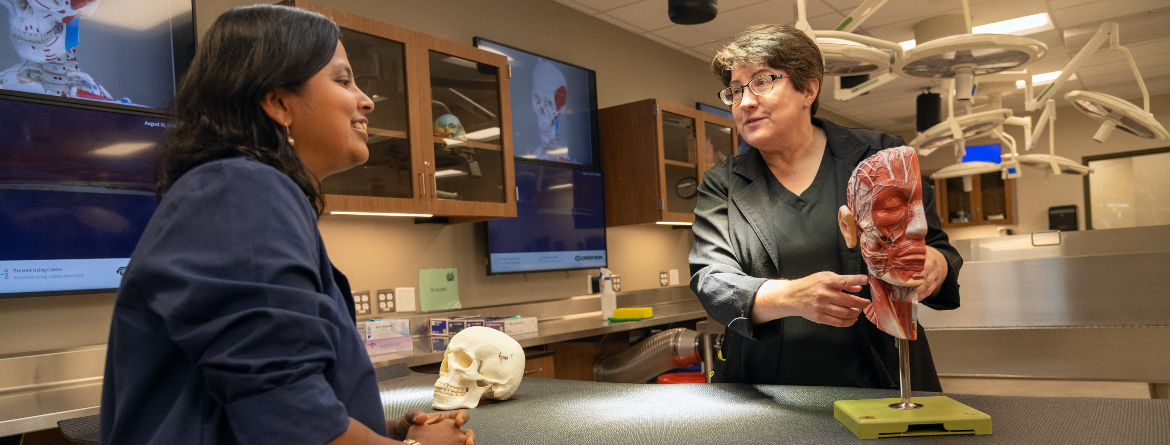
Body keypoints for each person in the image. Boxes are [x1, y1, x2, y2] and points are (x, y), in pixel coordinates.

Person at [99, 5, 473, 445]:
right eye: (343, 79)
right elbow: (288, 415)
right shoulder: (238, 189)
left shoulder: (247, 190)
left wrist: (387, 431)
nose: (366, 100)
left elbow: (265, 399)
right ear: (278, 102)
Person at [689, 24, 962, 391]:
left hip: (880, 380)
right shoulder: (722, 184)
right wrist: (793, 297)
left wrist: (936, 266)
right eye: (735, 91)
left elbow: (939, 248)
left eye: (761, 82)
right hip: (766, 389)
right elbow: (711, 280)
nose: (745, 102)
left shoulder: (879, 157)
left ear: (808, 88)